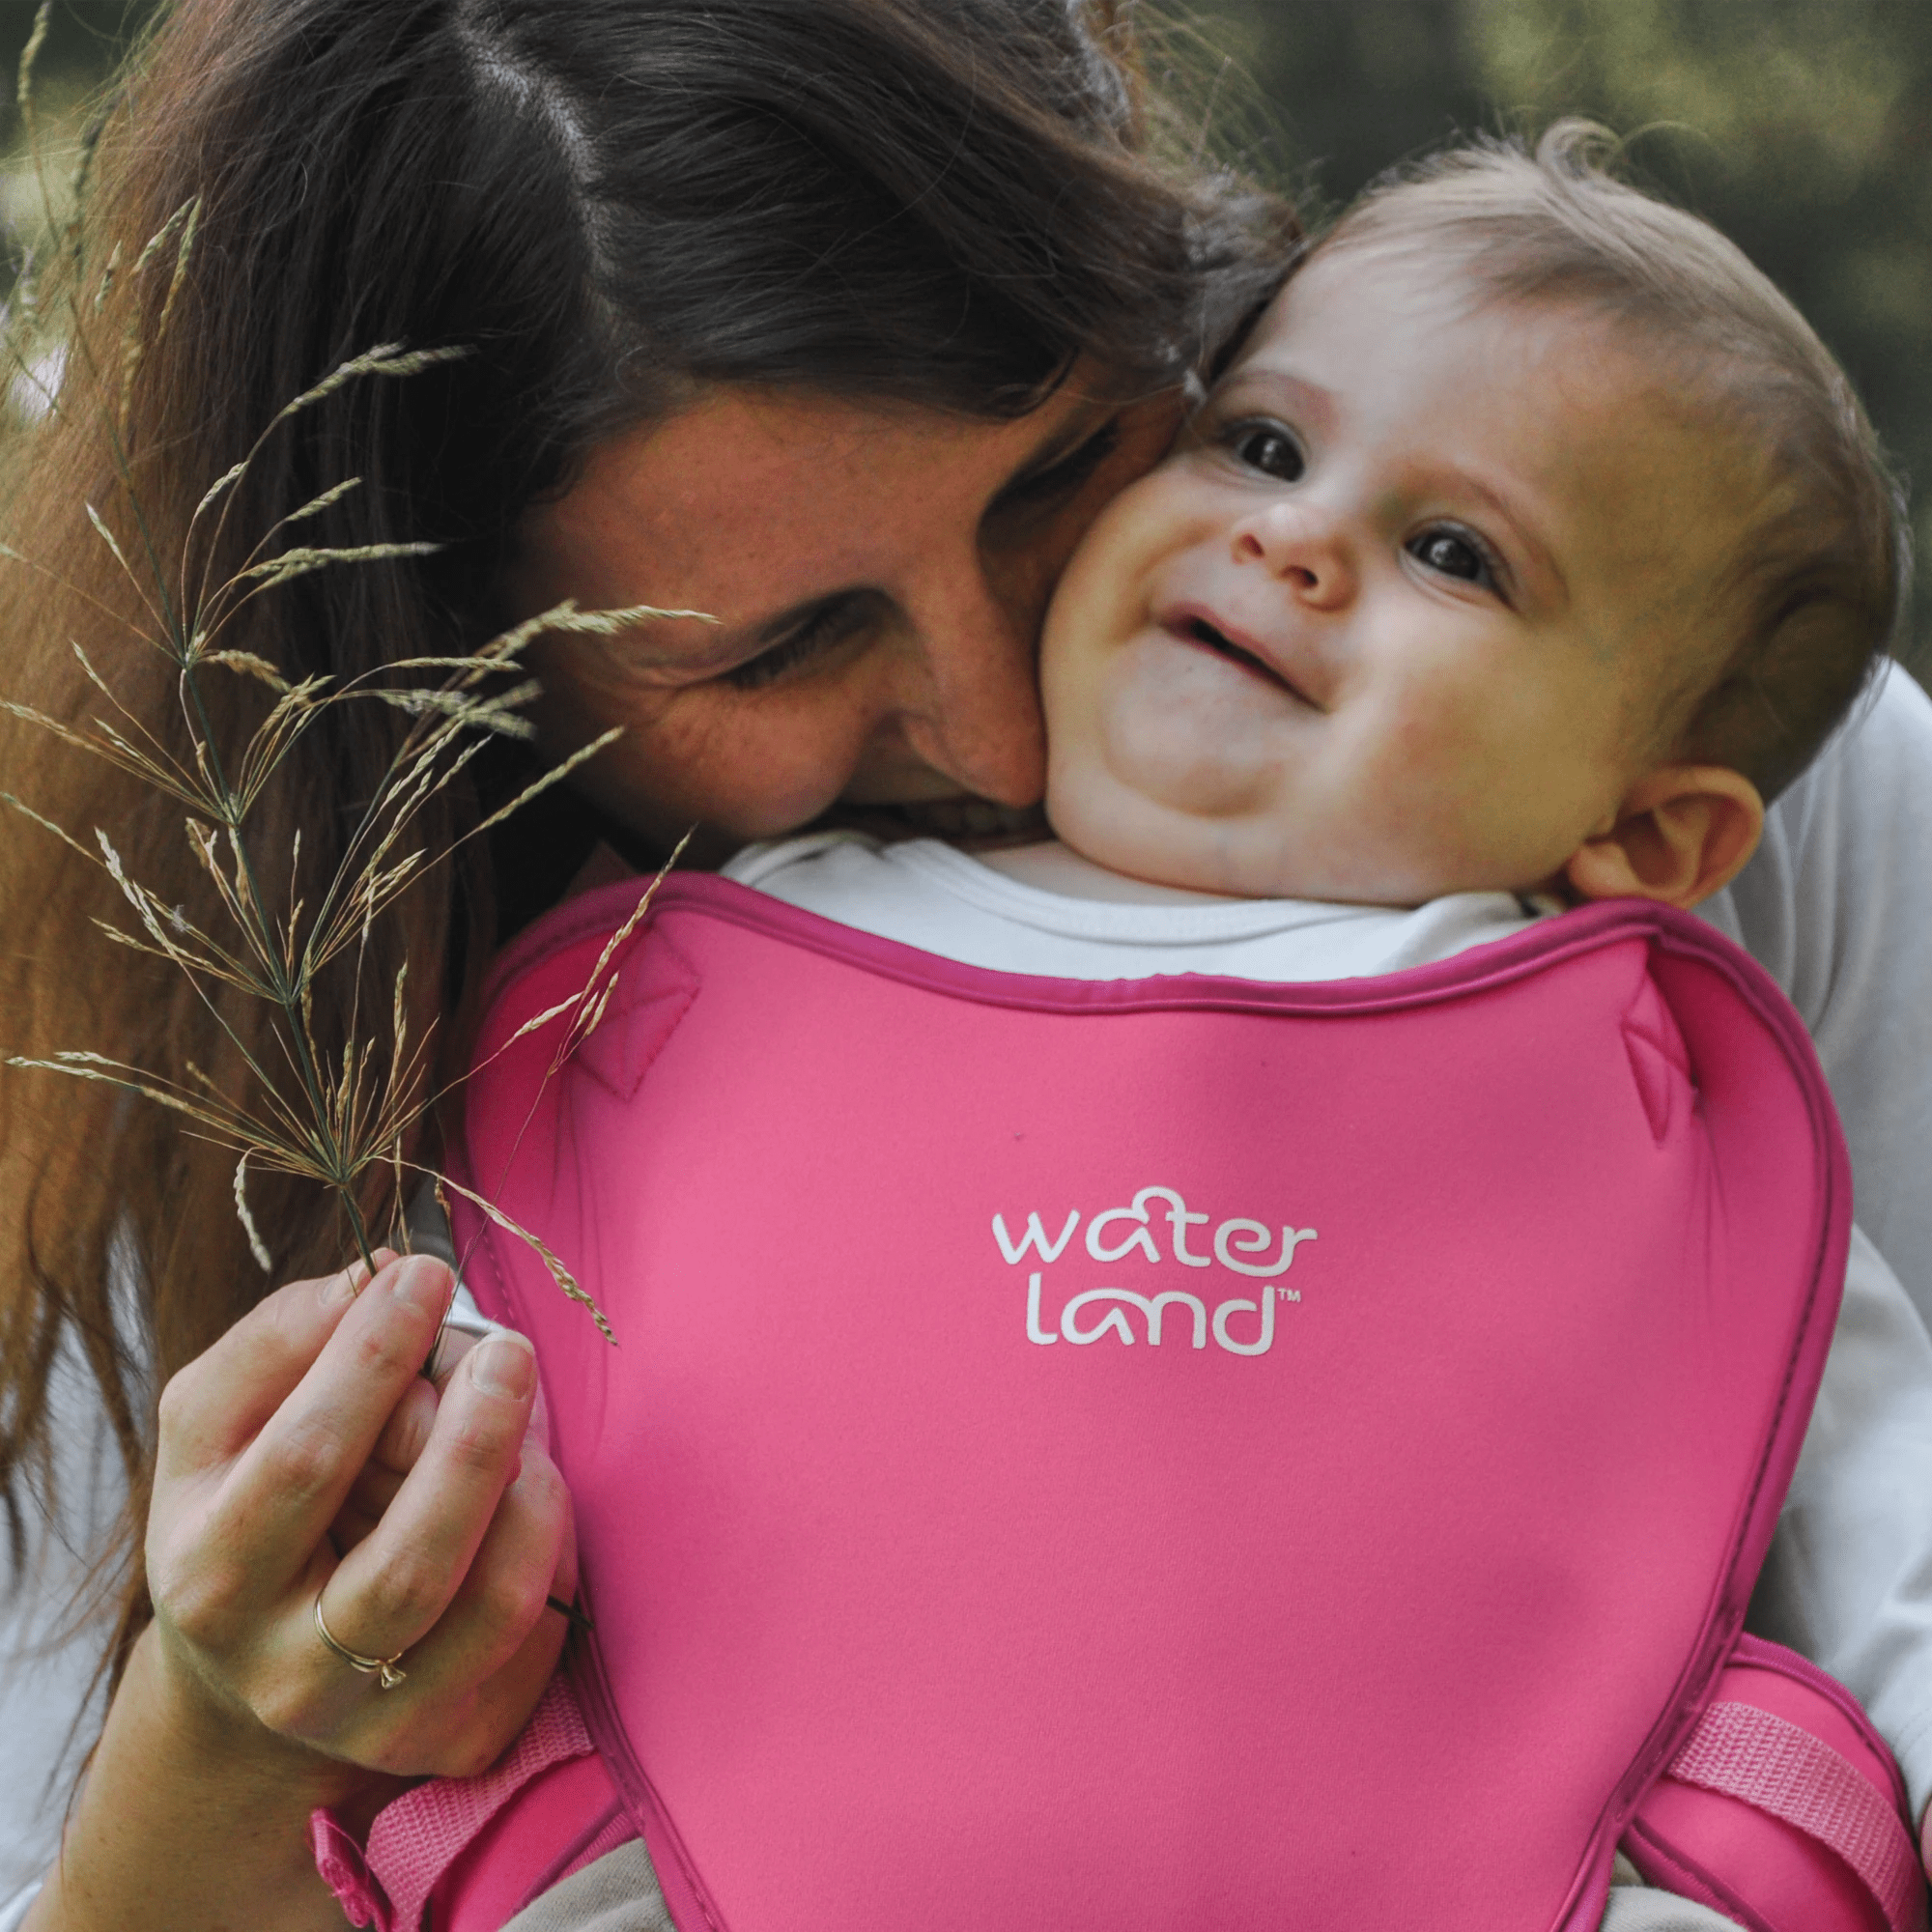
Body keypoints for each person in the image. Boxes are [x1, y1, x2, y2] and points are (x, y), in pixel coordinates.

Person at [0, 0, 1920, 1923]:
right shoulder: (207, 1055)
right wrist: (232, 1735)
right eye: (783, 647)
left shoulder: (1713, 730)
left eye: (1052, 478)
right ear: (458, 675)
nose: (1010, 738)